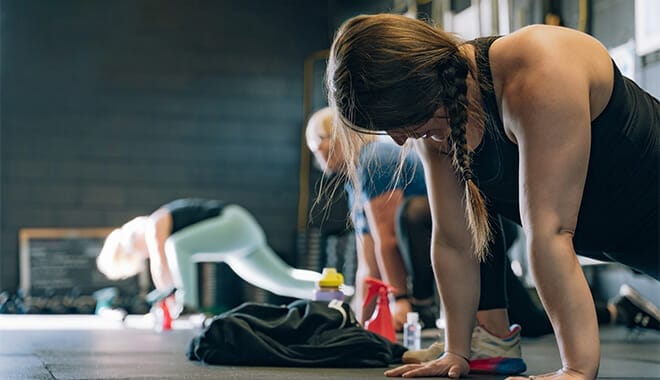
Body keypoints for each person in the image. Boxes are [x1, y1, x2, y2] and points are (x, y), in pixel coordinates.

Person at [325, 13, 659, 380]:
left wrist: (576, 370)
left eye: (397, 120)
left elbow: (550, 232)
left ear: (416, 85)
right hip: (629, 242)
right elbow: (454, 242)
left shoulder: (538, 68)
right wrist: (456, 351)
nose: (400, 139)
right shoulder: (437, 133)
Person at [306, 107, 527, 375]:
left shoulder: (375, 157)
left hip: (482, 234)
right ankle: (475, 337)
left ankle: (445, 318)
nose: (317, 152)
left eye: (319, 142)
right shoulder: (354, 182)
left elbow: (386, 239)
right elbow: (368, 260)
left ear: (337, 136)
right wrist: (356, 324)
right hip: (452, 241)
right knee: (532, 322)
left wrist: (399, 299)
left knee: (409, 216)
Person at [97, 198, 324, 313]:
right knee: (284, 280)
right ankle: (339, 291)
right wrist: (168, 296)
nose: (144, 255)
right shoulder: (162, 234)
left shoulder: (155, 224)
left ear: (133, 241)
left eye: (139, 253)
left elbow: (160, 265)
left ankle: (190, 308)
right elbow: (169, 275)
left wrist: (169, 300)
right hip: (238, 239)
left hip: (235, 224)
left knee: (174, 245)